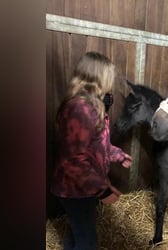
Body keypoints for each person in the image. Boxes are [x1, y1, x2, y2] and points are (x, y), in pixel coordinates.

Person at [50, 51, 132, 250]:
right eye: (109, 76)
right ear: (98, 77)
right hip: (76, 190)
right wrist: (102, 190)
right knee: (87, 241)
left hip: (84, 187)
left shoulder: (92, 107)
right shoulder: (80, 109)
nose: (111, 81)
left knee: (78, 231)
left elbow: (97, 146)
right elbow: (75, 161)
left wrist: (119, 155)